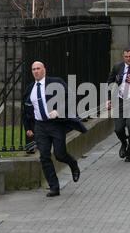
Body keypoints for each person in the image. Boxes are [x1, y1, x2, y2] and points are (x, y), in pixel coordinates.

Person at [23, 61, 87, 197]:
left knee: (59, 154)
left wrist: (58, 110)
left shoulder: (55, 82)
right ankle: (54, 187)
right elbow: (27, 109)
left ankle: (73, 163)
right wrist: (28, 127)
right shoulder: (30, 88)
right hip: (40, 126)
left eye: (38, 68)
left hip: (55, 124)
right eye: (33, 69)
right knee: (44, 156)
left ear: (44, 69)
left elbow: (71, 96)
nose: (36, 71)